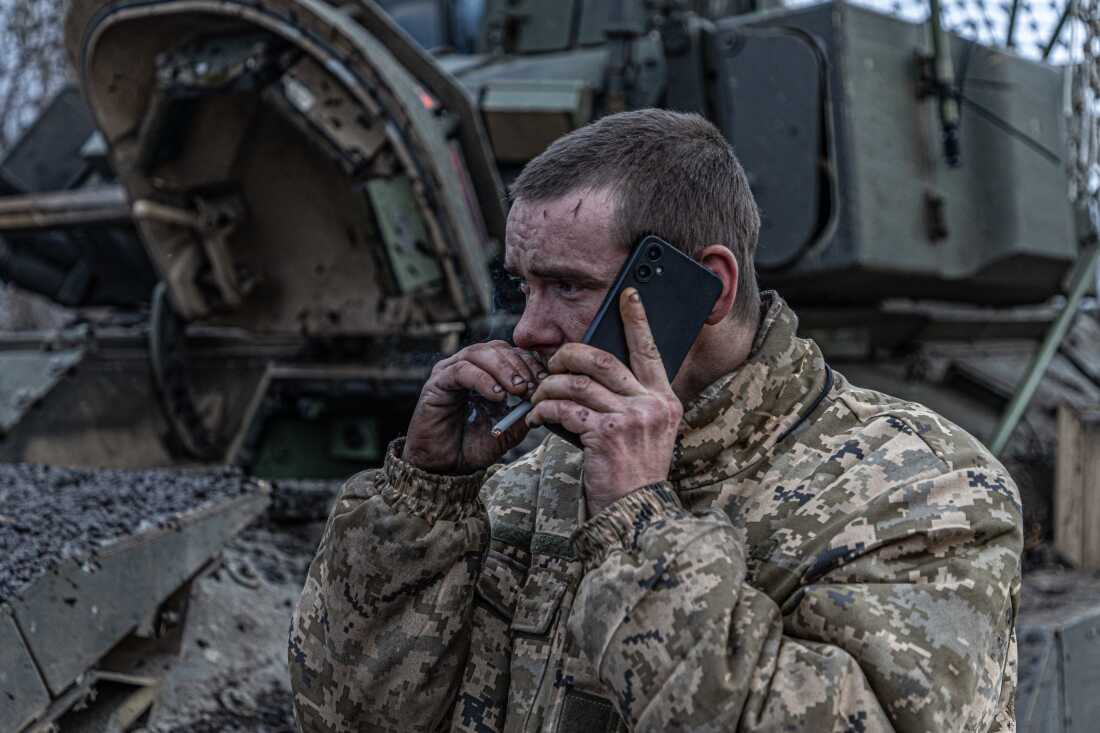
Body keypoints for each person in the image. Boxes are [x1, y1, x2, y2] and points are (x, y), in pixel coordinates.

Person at [288, 109, 1021, 732]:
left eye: (568, 286)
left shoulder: (925, 489)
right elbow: (345, 712)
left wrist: (641, 524)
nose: (527, 330)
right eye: (523, 285)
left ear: (704, 288)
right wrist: (424, 501)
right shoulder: (527, 469)